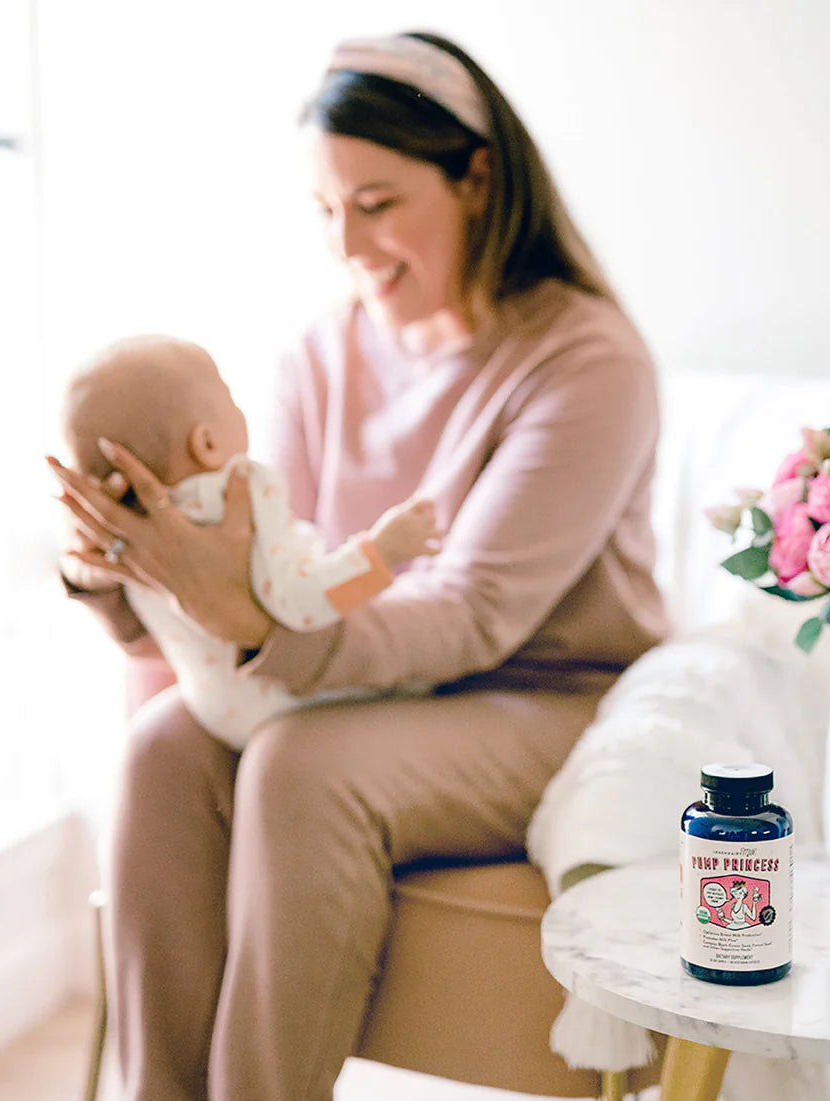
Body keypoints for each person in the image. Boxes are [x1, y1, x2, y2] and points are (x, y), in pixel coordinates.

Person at [49, 29, 667, 1101]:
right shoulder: (318, 353)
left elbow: (471, 615)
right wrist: (120, 574)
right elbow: (263, 570)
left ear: (476, 179)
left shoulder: (586, 359)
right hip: (359, 678)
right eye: (326, 211)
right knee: (160, 748)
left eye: (377, 205)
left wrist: (248, 620)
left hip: (540, 695)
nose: (349, 243)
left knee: (302, 768)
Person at [58, 334, 441, 749]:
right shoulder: (241, 494)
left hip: (221, 714)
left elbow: (140, 635)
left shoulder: (129, 536)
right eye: (228, 393)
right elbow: (301, 601)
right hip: (303, 697)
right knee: (425, 686)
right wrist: (380, 553)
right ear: (205, 442)